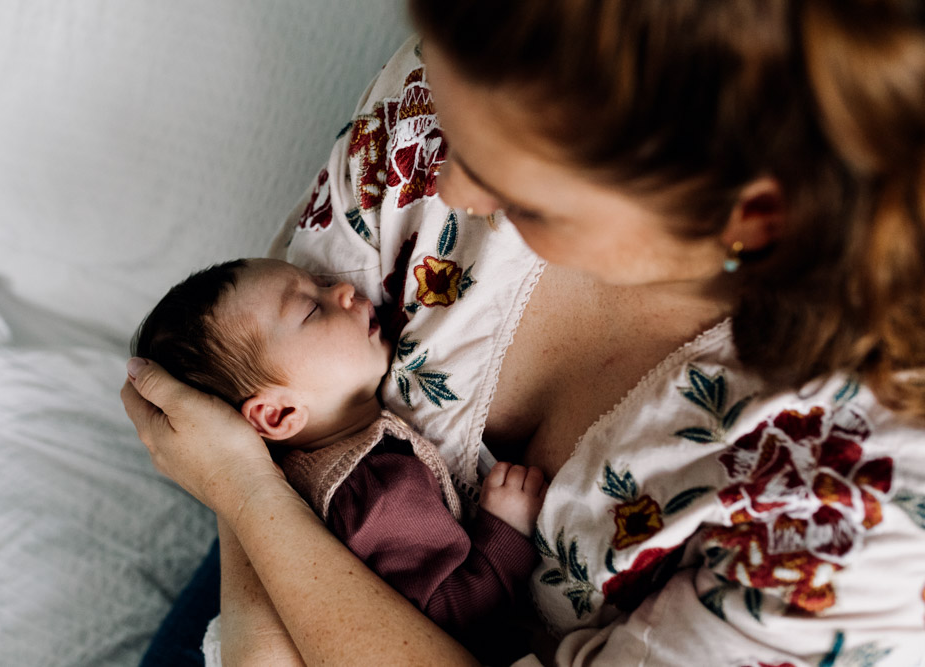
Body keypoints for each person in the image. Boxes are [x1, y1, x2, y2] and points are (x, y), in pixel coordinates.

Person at [123, 1, 925, 665]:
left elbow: (236, 447)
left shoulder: (852, 510)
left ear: (749, 218)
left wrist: (249, 497)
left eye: (526, 194)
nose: (450, 191)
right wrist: (251, 554)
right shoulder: (475, 78)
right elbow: (248, 352)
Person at [131, 257, 545, 663]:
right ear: (277, 414)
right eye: (312, 309)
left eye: (322, 282)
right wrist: (506, 531)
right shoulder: (379, 491)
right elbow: (459, 615)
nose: (345, 290)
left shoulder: (302, 475)